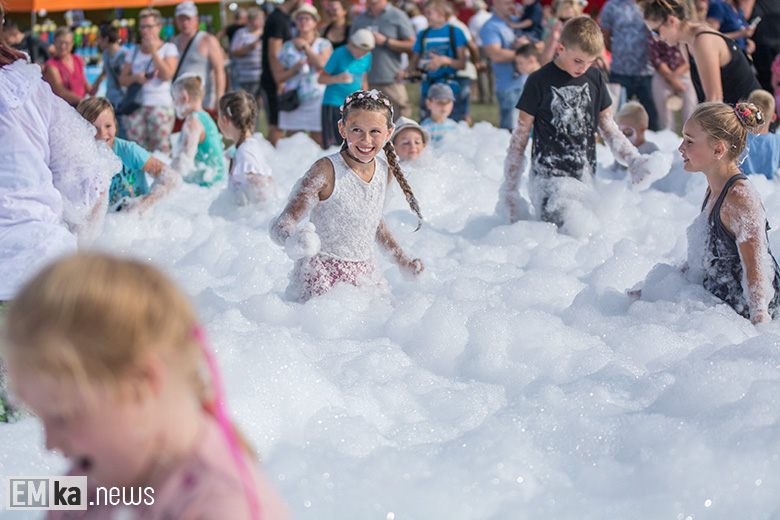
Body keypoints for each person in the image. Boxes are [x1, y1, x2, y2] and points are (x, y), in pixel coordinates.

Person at [1, 253, 293, 519]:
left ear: (142, 383)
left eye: (61, 416)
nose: (49, 444)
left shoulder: (222, 507)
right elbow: (21, 495)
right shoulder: (107, 469)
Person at [498, 16, 665, 228]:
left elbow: (609, 129)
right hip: (549, 183)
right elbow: (519, 139)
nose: (583, 68)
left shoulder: (594, 78)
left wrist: (633, 159)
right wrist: (510, 193)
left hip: (585, 180)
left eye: (590, 61)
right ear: (560, 48)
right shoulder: (538, 81)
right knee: (566, 234)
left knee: (587, 235)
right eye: (578, 60)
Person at [269, 90, 424, 302]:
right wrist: (294, 241)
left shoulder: (384, 169)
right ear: (342, 129)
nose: (366, 140)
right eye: (357, 130)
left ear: (389, 133)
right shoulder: (325, 171)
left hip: (366, 274)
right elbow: (282, 223)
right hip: (322, 276)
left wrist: (401, 259)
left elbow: (374, 220)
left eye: (375, 131)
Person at [679, 102, 780, 323]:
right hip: (720, 309)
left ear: (718, 150)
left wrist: (759, 328)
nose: (680, 148)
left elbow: (756, 268)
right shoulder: (714, 189)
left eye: (689, 141)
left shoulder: (740, 198)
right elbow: (703, 256)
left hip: (744, 315)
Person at [640, 0, 761, 105]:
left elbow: (715, 98)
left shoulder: (704, 40)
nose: (656, 38)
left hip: (752, 120)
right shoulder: (685, 43)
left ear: (672, 21)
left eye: (656, 32)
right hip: (733, 116)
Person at [77, 97, 182, 212]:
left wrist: (142, 204)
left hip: (136, 220)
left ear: (115, 124)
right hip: (108, 223)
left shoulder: (129, 150)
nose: (103, 133)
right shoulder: (80, 158)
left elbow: (172, 178)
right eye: (94, 128)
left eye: (108, 126)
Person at [119, 8, 179, 155]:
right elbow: (122, 79)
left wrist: (154, 51)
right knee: (138, 152)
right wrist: (136, 77)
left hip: (160, 105)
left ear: (158, 27)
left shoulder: (168, 48)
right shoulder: (133, 51)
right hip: (136, 106)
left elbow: (167, 75)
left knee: (161, 151)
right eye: (142, 27)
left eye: (149, 26)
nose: (145, 31)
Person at [397, 0, 467, 120]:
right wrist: (405, 71)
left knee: (451, 123)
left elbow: (462, 63)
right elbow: (414, 60)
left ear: (440, 13)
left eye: (429, 13)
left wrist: (444, 60)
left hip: (449, 87)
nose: (426, 16)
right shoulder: (423, 34)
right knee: (427, 123)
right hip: (428, 88)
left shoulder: (455, 32)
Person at [276, 4, 333, 147]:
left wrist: (306, 48)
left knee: (319, 139)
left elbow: (322, 64)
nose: (303, 21)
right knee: (292, 140)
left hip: (317, 98)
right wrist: (294, 69)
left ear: (314, 22)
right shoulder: (287, 47)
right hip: (294, 99)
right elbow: (278, 76)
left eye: (307, 18)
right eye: (300, 18)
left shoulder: (323, 44)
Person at [350, 0, 417, 121]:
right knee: (367, 125)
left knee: (400, 123)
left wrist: (386, 41)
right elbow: (350, 47)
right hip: (364, 82)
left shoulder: (398, 15)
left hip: (391, 80)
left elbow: (413, 45)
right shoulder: (359, 19)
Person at [600, 0, 660, 131]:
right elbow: (604, 36)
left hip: (647, 72)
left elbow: (659, 32)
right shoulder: (611, 6)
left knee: (653, 120)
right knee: (617, 119)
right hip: (620, 72)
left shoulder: (651, 4)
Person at [218, 90, 277, 205]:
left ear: (225, 120)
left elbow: (263, 191)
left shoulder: (245, 152)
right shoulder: (244, 147)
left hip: (251, 220)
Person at [479, 0, 531, 130]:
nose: (512, 6)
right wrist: (526, 53)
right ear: (495, 3)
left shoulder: (518, 21)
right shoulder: (490, 26)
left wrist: (530, 49)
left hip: (528, 83)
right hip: (509, 87)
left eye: (513, 3)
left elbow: (540, 45)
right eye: (507, 3)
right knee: (511, 132)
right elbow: (496, 55)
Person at [319, 29, 374, 149]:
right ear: (351, 44)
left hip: (354, 105)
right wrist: (337, 78)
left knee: (352, 144)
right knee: (333, 145)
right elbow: (321, 78)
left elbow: (364, 79)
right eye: (359, 51)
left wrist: (367, 99)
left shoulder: (367, 56)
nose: (361, 55)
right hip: (333, 103)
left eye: (365, 52)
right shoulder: (339, 53)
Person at [171, 75, 227, 186]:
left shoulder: (193, 122)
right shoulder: (205, 117)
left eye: (174, 98)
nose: (174, 103)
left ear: (184, 97)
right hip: (218, 183)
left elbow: (184, 162)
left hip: (206, 187)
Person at [263, 0, 305, 146]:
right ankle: (271, 159)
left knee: (287, 124)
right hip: (275, 81)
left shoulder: (283, 17)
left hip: (283, 79)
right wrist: (280, 80)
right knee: (276, 125)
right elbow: (273, 54)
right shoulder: (277, 19)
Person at [173, 1, 226, 111]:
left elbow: (219, 70)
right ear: (176, 21)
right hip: (180, 103)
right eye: (181, 19)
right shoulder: (174, 42)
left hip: (204, 102)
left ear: (196, 20)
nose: (185, 23)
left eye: (188, 19)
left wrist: (219, 97)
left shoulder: (208, 40)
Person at [648, 35, 697, 133]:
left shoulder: (685, 30)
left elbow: (693, 55)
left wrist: (675, 76)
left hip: (684, 74)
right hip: (662, 75)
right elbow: (654, 56)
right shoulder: (655, 29)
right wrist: (672, 79)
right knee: (665, 119)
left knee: (690, 112)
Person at [92, 23, 129, 138]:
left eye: (99, 38)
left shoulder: (124, 55)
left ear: (106, 39)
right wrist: (96, 85)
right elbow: (105, 72)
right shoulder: (106, 54)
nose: (97, 42)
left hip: (124, 101)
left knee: (123, 135)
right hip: (111, 100)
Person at [44, 27, 91, 107]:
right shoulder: (51, 65)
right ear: (54, 43)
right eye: (59, 42)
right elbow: (60, 92)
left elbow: (86, 86)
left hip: (81, 107)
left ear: (72, 44)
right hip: (64, 110)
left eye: (66, 43)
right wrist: (84, 102)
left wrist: (102, 77)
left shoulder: (77, 59)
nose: (63, 46)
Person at [740, 89, 780, 179]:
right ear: (773, 117)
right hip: (769, 187)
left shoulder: (738, 138)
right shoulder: (777, 142)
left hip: (743, 184)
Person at [610, 101, 660, 170]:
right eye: (620, 134)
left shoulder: (651, 149)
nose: (624, 138)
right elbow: (614, 172)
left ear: (642, 129)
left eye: (628, 133)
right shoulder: (622, 150)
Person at [230, 7, 264, 97]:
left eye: (262, 18)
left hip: (262, 76)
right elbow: (233, 52)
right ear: (250, 20)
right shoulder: (241, 33)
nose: (261, 21)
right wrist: (250, 47)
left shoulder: (264, 32)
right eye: (258, 19)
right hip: (244, 77)